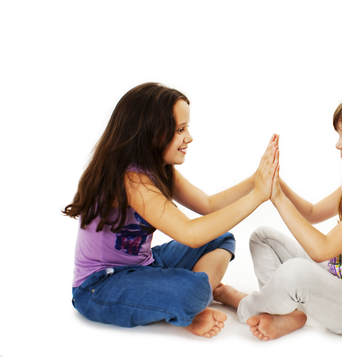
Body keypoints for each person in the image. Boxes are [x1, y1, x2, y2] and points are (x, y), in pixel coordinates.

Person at [63, 82, 279, 338]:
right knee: (192, 291)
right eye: (180, 129)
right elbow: (189, 233)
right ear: (150, 134)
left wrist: (257, 179)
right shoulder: (131, 180)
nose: (189, 137)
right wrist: (257, 197)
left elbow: (208, 205)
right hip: (100, 287)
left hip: (146, 265)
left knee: (220, 238)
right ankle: (191, 302)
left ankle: (191, 299)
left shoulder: (158, 168)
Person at [214, 90, 342, 340]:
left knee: (294, 272)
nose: (338, 144)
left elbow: (321, 249)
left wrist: (277, 199)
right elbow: (312, 213)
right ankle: (285, 313)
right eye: (339, 135)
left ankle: (245, 305)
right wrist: (275, 182)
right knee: (263, 237)